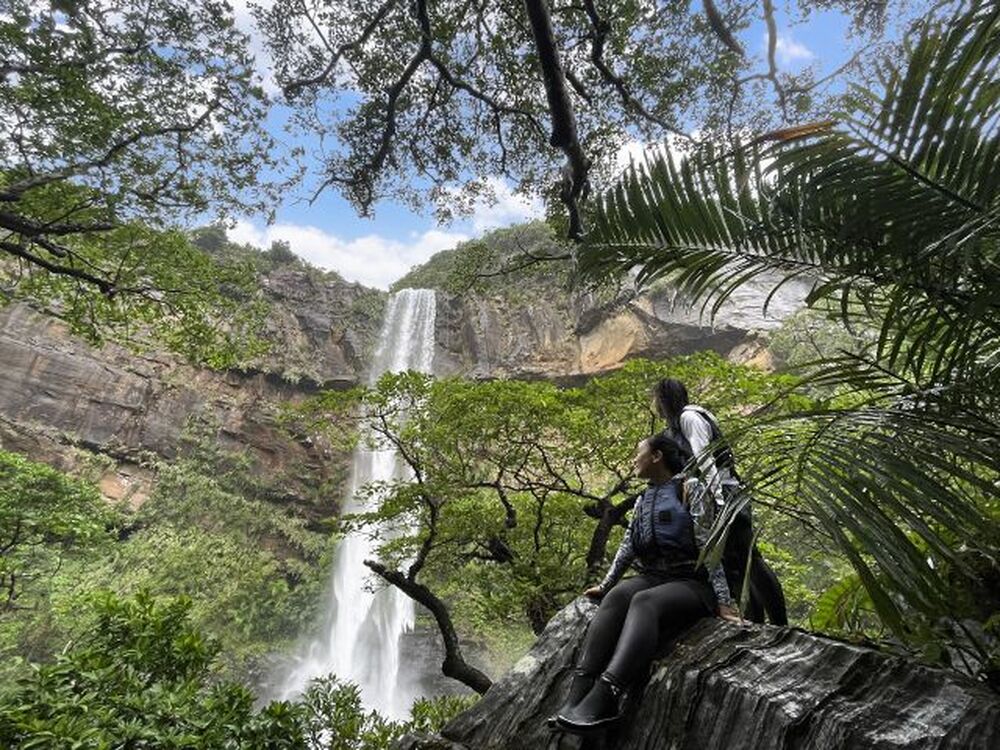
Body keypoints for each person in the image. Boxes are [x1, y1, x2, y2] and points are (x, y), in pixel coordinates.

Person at [554, 433, 739, 732]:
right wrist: (606, 584)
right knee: (616, 598)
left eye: (638, 452)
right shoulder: (644, 498)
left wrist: (723, 601)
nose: (633, 460)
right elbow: (627, 546)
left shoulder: (690, 488)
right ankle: (578, 693)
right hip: (655, 575)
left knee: (644, 602)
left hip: (691, 581)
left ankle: (607, 694)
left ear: (657, 457)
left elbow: (710, 547)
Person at [652, 378, 788, 626]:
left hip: (725, 492)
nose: (655, 405)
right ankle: (755, 622)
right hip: (719, 493)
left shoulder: (689, 418)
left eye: (657, 399)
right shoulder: (680, 424)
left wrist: (717, 500)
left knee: (749, 557)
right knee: (731, 562)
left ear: (665, 399)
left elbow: (705, 460)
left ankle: (780, 623)